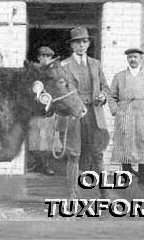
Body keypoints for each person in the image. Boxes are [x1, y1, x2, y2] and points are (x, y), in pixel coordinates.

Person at [60, 27, 110, 199]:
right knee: (74, 154)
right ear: (72, 45)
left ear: (88, 43)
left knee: (98, 153)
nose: (81, 45)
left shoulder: (96, 64)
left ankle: (104, 192)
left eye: (84, 41)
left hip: (94, 114)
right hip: (74, 115)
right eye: (77, 42)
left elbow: (105, 87)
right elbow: (61, 91)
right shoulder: (64, 66)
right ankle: (73, 193)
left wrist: (103, 96)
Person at [108, 47, 144, 184]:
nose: (132, 59)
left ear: (141, 59)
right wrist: (116, 111)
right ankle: (126, 173)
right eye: (130, 57)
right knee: (126, 142)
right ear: (127, 59)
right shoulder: (119, 76)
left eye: (135, 57)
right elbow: (112, 96)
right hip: (125, 113)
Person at [27, 46, 56, 175]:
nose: (45, 59)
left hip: (49, 110)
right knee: (34, 139)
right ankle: (36, 163)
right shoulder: (33, 71)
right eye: (43, 56)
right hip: (35, 109)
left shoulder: (54, 72)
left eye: (48, 56)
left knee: (48, 139)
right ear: (38, 57)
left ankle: (46, 165)